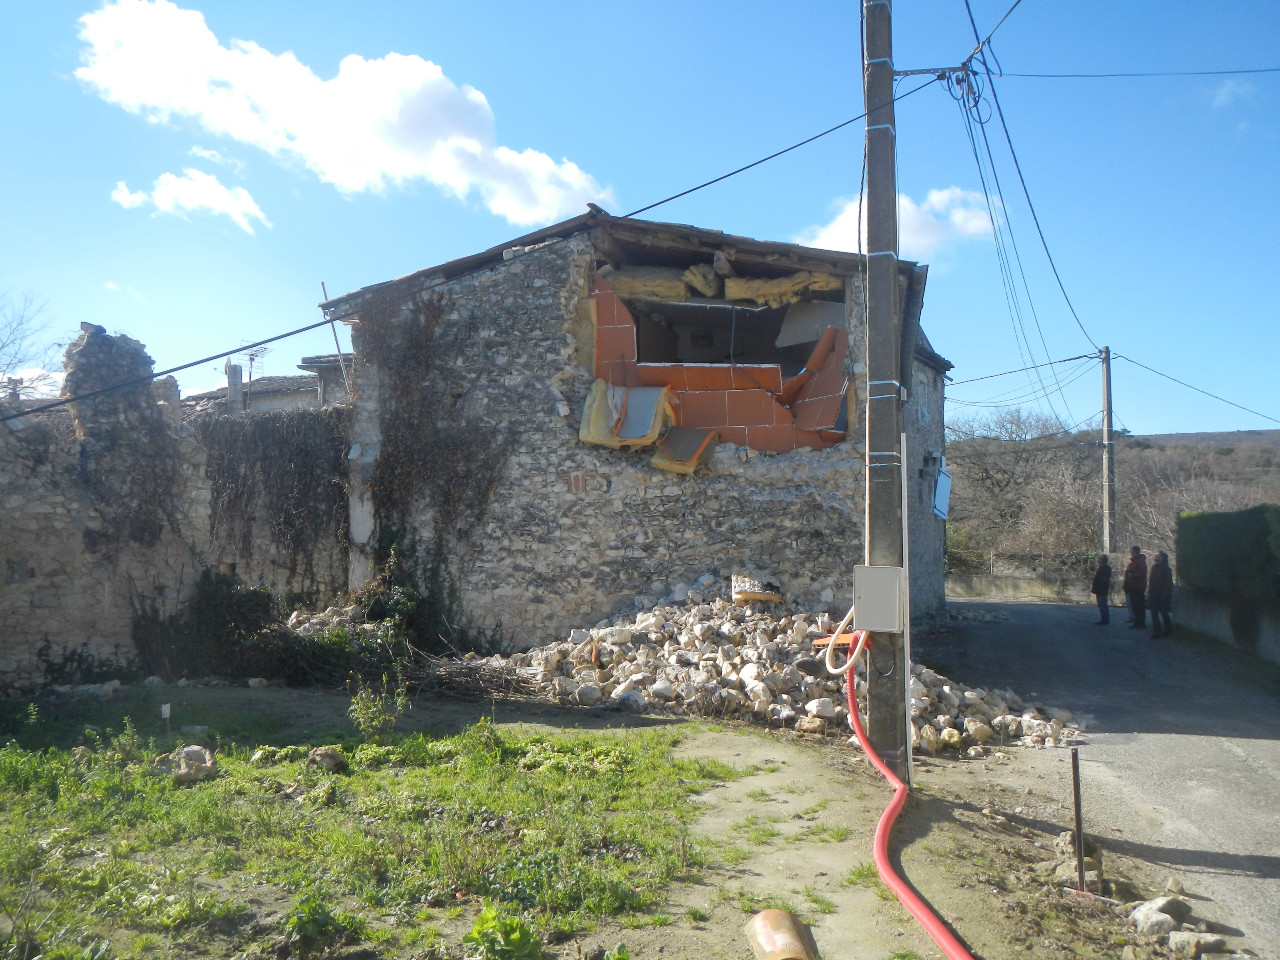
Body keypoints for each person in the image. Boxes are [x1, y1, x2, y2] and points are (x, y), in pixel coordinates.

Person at [1148, 551, 1173, 638]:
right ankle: (1157, 632)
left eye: (1158, 556)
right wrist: (1150, 592)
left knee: (1163, 613)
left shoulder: (1166, 569)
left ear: (1162, 558)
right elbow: (1151, 581)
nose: (1156, 556)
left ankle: (1168, 629)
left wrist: (1165, 594)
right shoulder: (1154, 567)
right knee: (1154, 613)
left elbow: (1169, 583)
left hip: (1163, 595)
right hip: (1154, 594)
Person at [1123, 546, 1148, 630]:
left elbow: (1142, 572)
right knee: (1135, 605)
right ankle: (1138, 622)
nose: (1131, 552)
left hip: (1138, 586)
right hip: (1133, 585)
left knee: (1138, 605)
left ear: (1134, 551)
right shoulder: (1135, 561)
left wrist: (1132, 575)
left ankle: (1140, 622)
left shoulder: (1140, 561)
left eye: (1132, 551)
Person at [1090, 554, 1112, 625]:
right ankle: (1104, 619)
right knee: (1101, 604)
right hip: (1101, 589)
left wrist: (1098, 585)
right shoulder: (1104, 567)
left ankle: (1105, 620)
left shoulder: (1105, 568)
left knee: (1102, 604)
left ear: (1102, 560)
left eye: (1099, 559)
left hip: (1101, 589)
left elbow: (1102, 579)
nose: (1098, 560)